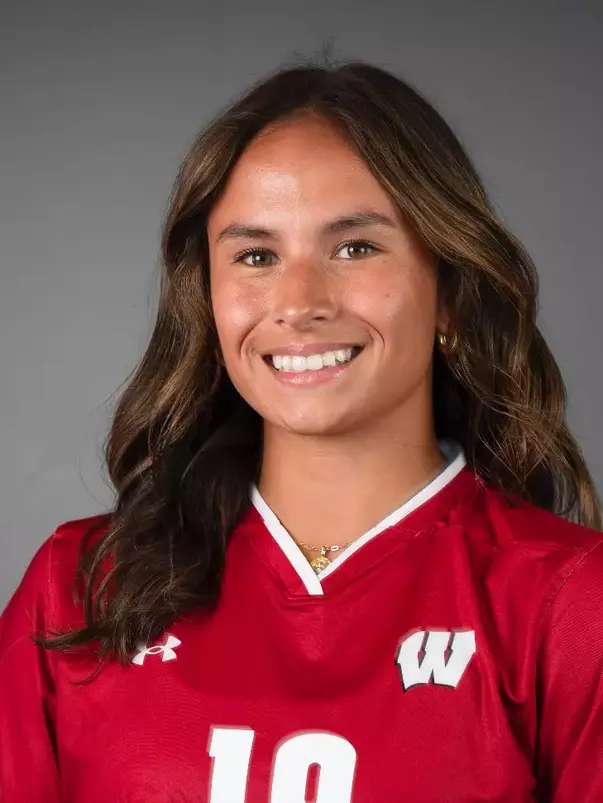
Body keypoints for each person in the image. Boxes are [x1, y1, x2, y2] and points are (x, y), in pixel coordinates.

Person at [1, 56, 602, 803]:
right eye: (256, 256)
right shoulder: (80, 587)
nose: (297, 300)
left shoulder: (569, 604)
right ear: (211, 300)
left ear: (450, 290)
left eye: (354, 247)